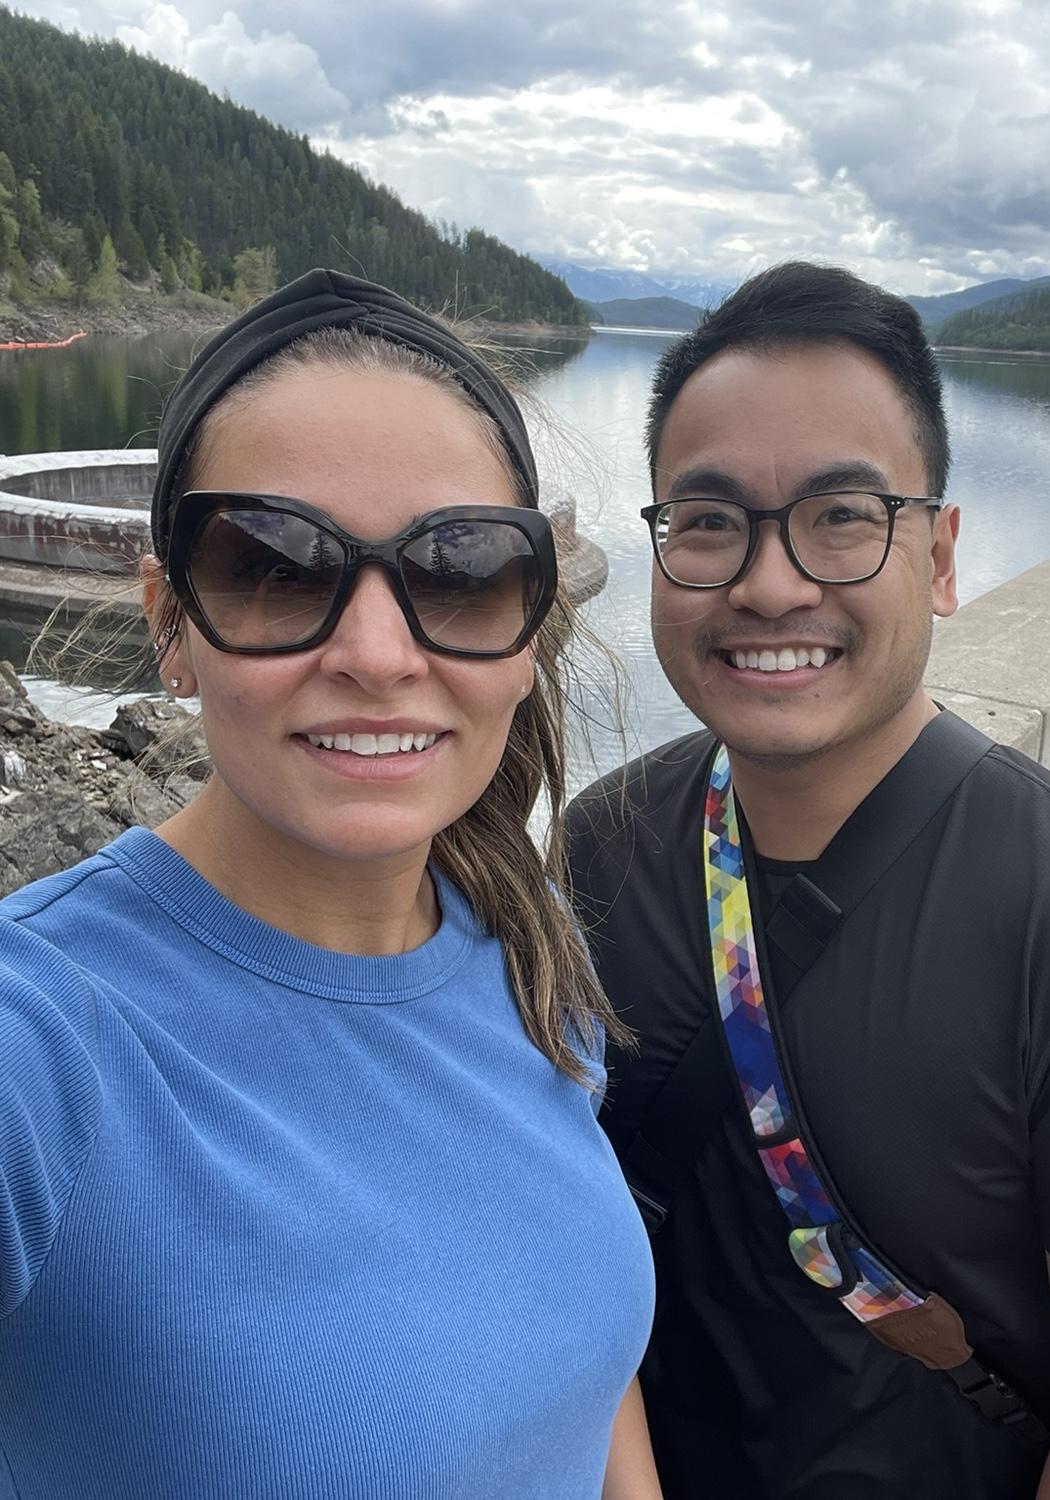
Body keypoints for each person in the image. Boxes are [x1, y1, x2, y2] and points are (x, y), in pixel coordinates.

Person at [565, 263, 1050, 1499]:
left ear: (937, 557)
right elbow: (572, 1226)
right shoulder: (601, 848)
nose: (770, 584)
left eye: (841, 516)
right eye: (710, 521)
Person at [0, 270, 659, 1500]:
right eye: (277, 568)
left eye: (460, 569)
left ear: (527, 628)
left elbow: (585, 1378)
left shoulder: (528, 951)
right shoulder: (42, 1045)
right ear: (171, 621)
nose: (375, 652)